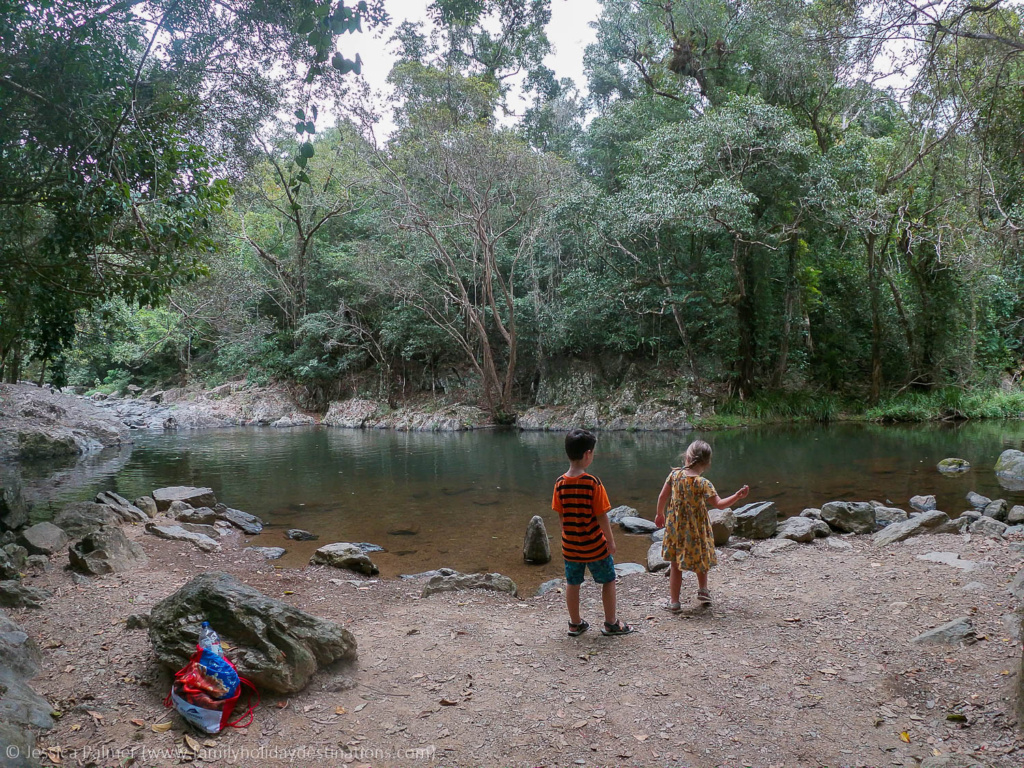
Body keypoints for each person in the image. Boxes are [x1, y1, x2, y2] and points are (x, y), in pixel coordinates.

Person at [551, 428, 634, 637]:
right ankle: (611, 623)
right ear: (587, 454)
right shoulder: (593, 483)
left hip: (571, 546)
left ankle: (575, 623)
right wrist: (610, 541)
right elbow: (602, 516)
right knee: (608, 580)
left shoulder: (559, 484)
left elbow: (561, 516)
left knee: (572, 583)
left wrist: (567, 535)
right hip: (596, 546)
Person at [654, 439, 749, 610]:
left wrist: (659, 514)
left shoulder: (674, 475)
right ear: (707, 463)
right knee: (701, 557)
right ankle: (703, 589)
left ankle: (674, 602)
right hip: (697, 529)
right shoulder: (704, 483)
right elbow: (719, 504)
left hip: (676, 529)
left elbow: (662, 497)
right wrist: (737, 496)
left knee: (675, 565)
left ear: (687, 457)